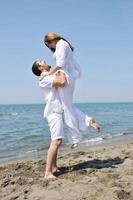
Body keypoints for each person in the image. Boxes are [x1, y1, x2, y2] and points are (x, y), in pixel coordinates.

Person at [32, 60, 100, 179]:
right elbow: (62, 82)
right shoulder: (44, 79)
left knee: (58, 141)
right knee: (56, 141)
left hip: (59, 110)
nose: (44, 61)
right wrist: (61, 69)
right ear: (40, 68)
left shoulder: (49, 75)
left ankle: (53, 167)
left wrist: (59, 69)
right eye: (41, 61)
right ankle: (47, 172)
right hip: (53, 112)